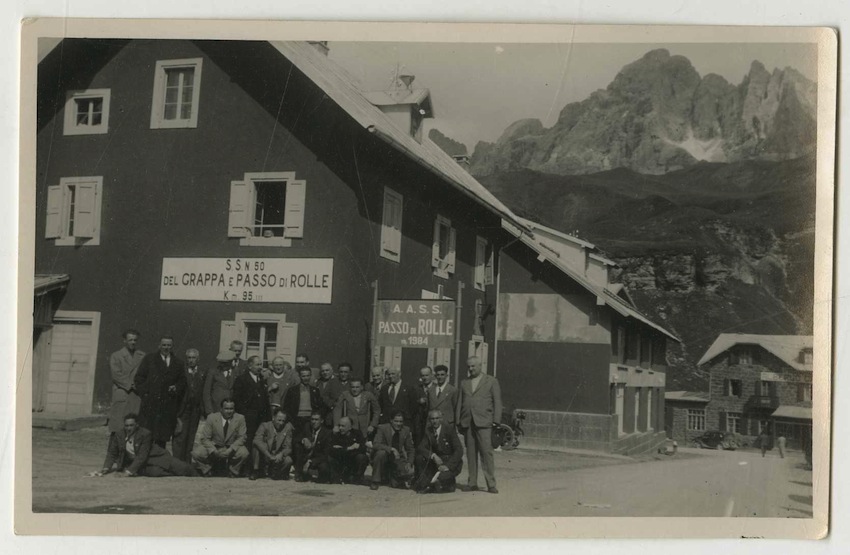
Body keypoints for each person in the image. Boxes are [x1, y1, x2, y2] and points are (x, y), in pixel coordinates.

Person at [95, 413, 196, 477]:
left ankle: (202, 475)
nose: (128, 428)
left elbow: (142, 455)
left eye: (131, 425)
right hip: (143, 464)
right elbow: (112, 453)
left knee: (184, 468)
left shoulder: (145, 434)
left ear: (137, 425)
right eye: (126, 425)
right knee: (155, 472)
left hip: (157, 457)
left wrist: (127, 472)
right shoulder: (119, 435)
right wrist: (106, 468)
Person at [457, 356, 502, 494]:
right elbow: (460, 402)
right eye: (469, 366)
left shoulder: (491, 381)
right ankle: (472, 483)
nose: (470, 369)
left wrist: (496, 421)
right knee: (471, 453)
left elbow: (497, 402)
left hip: (484, 422)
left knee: (486, 453)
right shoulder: (464, 383)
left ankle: (491, 484)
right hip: (468, 422)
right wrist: (458, 420)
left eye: (473, 366)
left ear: (480, 366)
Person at [133, 335, 187, 448]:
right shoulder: (150, 359)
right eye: (164, 345)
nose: (166, 347)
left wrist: (176, 387)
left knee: (162, 436)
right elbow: (139, 379)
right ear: (159, 345)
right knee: (147, 435)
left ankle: (159, 462)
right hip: (150, 405)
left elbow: (182, 381)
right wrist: (146, 394)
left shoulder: (178, 363)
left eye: (169, 345)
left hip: (167, 406)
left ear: (172, 347)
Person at [192, 398, 249, 478]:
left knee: (244, 453)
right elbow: (205, 438)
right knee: (196, 453)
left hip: (231, 447)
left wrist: (230, 449)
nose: (229, 411)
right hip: (215, 446)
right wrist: (214, 450)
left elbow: (242, 437)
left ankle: (233, 470)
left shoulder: (240, 418)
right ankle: (208, 469)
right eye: (226, 409)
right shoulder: (211, 418)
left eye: (231, 409)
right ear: (221, 409)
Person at [413, 409, 464, 493]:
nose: (435, 421)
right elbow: (421, 447)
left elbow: (459, 450)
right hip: (436, 462)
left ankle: (447, 482)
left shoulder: (449, 429)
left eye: (437, 418)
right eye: (432, 419)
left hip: (450, 462)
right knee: (419, 458)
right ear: (429, 420)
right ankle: (428, 482)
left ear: (441, 419)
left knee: (443, 480)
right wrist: (433, 455)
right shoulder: (428, 431)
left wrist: (448, 466)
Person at [106, 329, 145, 437]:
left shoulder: (142, 356)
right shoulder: (116, 356)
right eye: (130, 340)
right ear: (124, 341)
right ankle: (114, 453)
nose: (133, 342)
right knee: (118, 427)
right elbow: (116, 375)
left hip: (136, 395)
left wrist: (140, 386)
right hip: (122, 392)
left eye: (135, 340)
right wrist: (132, 384)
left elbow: (145, 373)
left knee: (134, 428)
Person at [172, 348, 207, 463]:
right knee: (180, 435)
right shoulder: (181, 371)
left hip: (196, 409)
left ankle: (186, 463)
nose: (191, 360)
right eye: (189, 358)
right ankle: (177, 463)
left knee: (191, 436)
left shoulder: (202, 372)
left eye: (194, 358)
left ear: (198, 359)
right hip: (183, 409)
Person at [233, 355, 271, 458]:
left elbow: (265, 400)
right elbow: (237, 400)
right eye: (257, 364)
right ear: (249, 366)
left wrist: (268, 418)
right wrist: (245, 414)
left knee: (261, 442)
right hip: (248, 418)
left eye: (261, 364)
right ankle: (247, 468)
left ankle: (258, 468)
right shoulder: (241, 379)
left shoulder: (262, 380)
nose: (260, 367)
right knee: (248, 441)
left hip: (261, 418)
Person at [369, 411, 414, 491]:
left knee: (402, 478)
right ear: (391, 421)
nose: (398, 424)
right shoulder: (382, 428)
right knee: (381, 453)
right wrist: (391, 449)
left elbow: (410, 448)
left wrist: (409, 463)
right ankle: (375, 481)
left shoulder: (405, 430)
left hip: (396, 459)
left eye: (401, 421)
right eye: (396, 421)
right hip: (384, 457)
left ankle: (390, 477)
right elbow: (376, 444)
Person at [251, 407, 294, 480]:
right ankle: (256, 471)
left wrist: (281, 454)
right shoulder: (264, 425)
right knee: (256, 446)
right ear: (273, 418)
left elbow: (288, 447)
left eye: (283, 421)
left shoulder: (288, 427)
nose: (281, 423)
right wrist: (269, 455)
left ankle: (276, 473)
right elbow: (256, 440)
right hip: (266, 454)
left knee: (288, 460)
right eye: (279, 420)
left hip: (277, 456)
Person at [282, 367, 325, 435]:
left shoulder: (315, 390)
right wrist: (289, 421)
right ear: (299, 376)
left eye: (308, 375)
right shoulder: (292, 390)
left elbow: (319, 407)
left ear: (310, 376)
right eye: (303, 376)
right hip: (296, 420)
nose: (306, 378)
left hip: (310, 420)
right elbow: (286, 407)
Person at [329, 416, 368, 484]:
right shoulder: (336, 435)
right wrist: (349, 448)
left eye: (343, 426)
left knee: (362, 457)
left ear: (350, 427)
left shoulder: (357, 433)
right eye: (339, 425)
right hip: (341, 462)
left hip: (352, 462)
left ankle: (358, 478)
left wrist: (342, 449)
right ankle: (337, 477)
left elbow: (363, 448)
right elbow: (332, 450)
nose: (340, 428)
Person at [294, 411, 332, 483]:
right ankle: (300, 474)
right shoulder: (307, 427)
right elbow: (296, 438)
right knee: (298, 446)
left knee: (324, 468)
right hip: (306, 457)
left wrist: (311, 461)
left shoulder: (327, 433)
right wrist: (303, 439)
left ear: (322, 421)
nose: (313, 422)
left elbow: (326, 454)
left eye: (316, 420)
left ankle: (319, 478)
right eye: (312, 419)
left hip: (317, 459)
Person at [203, 351, 238, 417]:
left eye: (226, 363)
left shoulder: (235, 372)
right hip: (216, 408)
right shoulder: (213, 372)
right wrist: (209, 411)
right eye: (221, 363)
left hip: (231, 409)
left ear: (231, 362)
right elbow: (206, 392)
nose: (223, 365)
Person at [429, 364, 459, 431]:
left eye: (442, 375)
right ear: (435, 376)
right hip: (433, 424)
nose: (440, 377)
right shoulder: (431, 390)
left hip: (447, 423)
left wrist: (456, 424)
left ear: (446, 376)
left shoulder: (452, 390)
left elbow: (456, 408)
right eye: (438, 375)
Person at [413, 366, 435, 445]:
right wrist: (418, 401)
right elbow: (411, 404)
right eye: (423, 376)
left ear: (431, 375)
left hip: (432, 422)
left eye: (427, 375)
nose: (424, 378)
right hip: (419, 423)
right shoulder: (416, 389)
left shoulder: (436, 388)